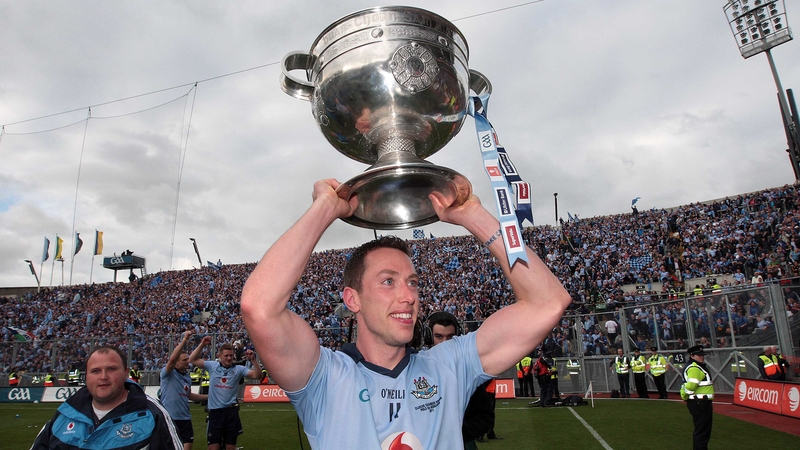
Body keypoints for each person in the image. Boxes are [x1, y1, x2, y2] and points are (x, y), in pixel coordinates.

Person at [240, 178, 571, 449]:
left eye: (412, 283)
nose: (407, 295)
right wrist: (325, 208)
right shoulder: (324, 377)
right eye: (388, 281)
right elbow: (259, 306)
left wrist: (473, 215)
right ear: (352, 299)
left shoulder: (449, 366)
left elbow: (548, 302)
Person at [31, 345, 182, 449]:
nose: (103, 377)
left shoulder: (152, 414)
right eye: (95, 371)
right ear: (87, 376)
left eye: (111, 369)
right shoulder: (66, 413)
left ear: (125, 373)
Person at [427, 311, 495, 449]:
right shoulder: (416, 370)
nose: (444, 343)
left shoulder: (467, 372)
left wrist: (456, 433)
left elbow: (485, 417)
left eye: (450, 337)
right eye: (439, 337)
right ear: (428, 337)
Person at [189, 336, 262, 450]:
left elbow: (258, 376)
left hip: (231, 412)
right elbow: (192, 359)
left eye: (231, 356)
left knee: (230, 447)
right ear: (219, 356)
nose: (229, 358)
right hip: (215, 412)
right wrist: (202, 344)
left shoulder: (238, 369)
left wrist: (253, 360)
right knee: (213, 447)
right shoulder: (212, 366)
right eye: (226, 356)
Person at [162, 331, 209, 450]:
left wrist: (211, 396)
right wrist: (184, 340)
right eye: (184, 360)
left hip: (185, 418)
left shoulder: (186, 376)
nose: (188, 362)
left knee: (187, 446)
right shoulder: (168, 374)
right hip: (170, 418)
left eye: (188, 359)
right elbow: (171, 360)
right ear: (176, 363)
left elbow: (190, 396)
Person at [680, 345, 714, 450]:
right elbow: (691, 386)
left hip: (700, 402)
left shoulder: (696, 366)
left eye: (702, 355)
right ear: (692, 355)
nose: (702, 357)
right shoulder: (694, 368)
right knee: (702, 432)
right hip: (700, 403)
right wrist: (684, 396)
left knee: (702, 431)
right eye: (699, 355)